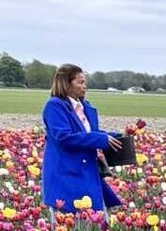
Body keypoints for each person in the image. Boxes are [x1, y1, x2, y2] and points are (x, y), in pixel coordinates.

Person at [40, 64, 126, 214]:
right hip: (67, 175)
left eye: (84, 82)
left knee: (95, 223)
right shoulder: (55, 106)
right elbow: (64, 137)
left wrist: (118, 136)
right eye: (80, 82)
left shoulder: (83, 107)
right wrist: (100, 138)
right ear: (66, 84)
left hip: (86, 172)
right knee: (72, 226)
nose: (85, 86)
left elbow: (90, 133)